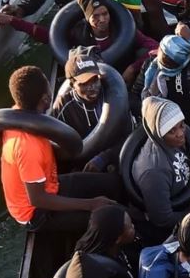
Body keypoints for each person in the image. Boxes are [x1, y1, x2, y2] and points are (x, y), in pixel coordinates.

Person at [0, 66, 118, 233]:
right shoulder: (27, 146)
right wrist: (91, 204)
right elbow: (38, 199)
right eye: (48, 83)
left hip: (51, 185)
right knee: (112, 219)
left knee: (112, 183)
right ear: (46, 98)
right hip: (37, 213)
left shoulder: (16, 116)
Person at [0, 0, 159, 85]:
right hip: (91, 83)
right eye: (95, 16)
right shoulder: (79, 33)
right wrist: (13, 21)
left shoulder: (122, 30)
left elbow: (155, 48)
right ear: (87, 18)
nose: (102, 20)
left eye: (105, 13)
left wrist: (132, 68)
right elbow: (49, 37)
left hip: (123, 79)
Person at [47, 51, 131, 188]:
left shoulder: (112, 96)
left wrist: (104, 157)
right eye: (84, 83)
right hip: (82, 161)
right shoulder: (63, 105)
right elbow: (57, 146)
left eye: (95, 80)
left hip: (116, 155)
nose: (92, 87)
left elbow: (129, 135)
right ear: (72, 83)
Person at [132, 96, 190, 237]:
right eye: (172, 131)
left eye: (181, 125)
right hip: (180, 213)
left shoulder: (174, 141)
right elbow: (162, 219)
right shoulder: (153, 172)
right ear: (158, 133)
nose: (180, 134)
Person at [142, 28, 190, 124]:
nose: (163, 58)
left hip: (185, 120)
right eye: (162, 51)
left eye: (169, 59)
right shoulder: (150, 64)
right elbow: (138, 90)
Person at [75, 203, 139, 278]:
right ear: (118, 238)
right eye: (130, 227)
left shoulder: (118, 248)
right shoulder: (104, 273)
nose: (133, 227)